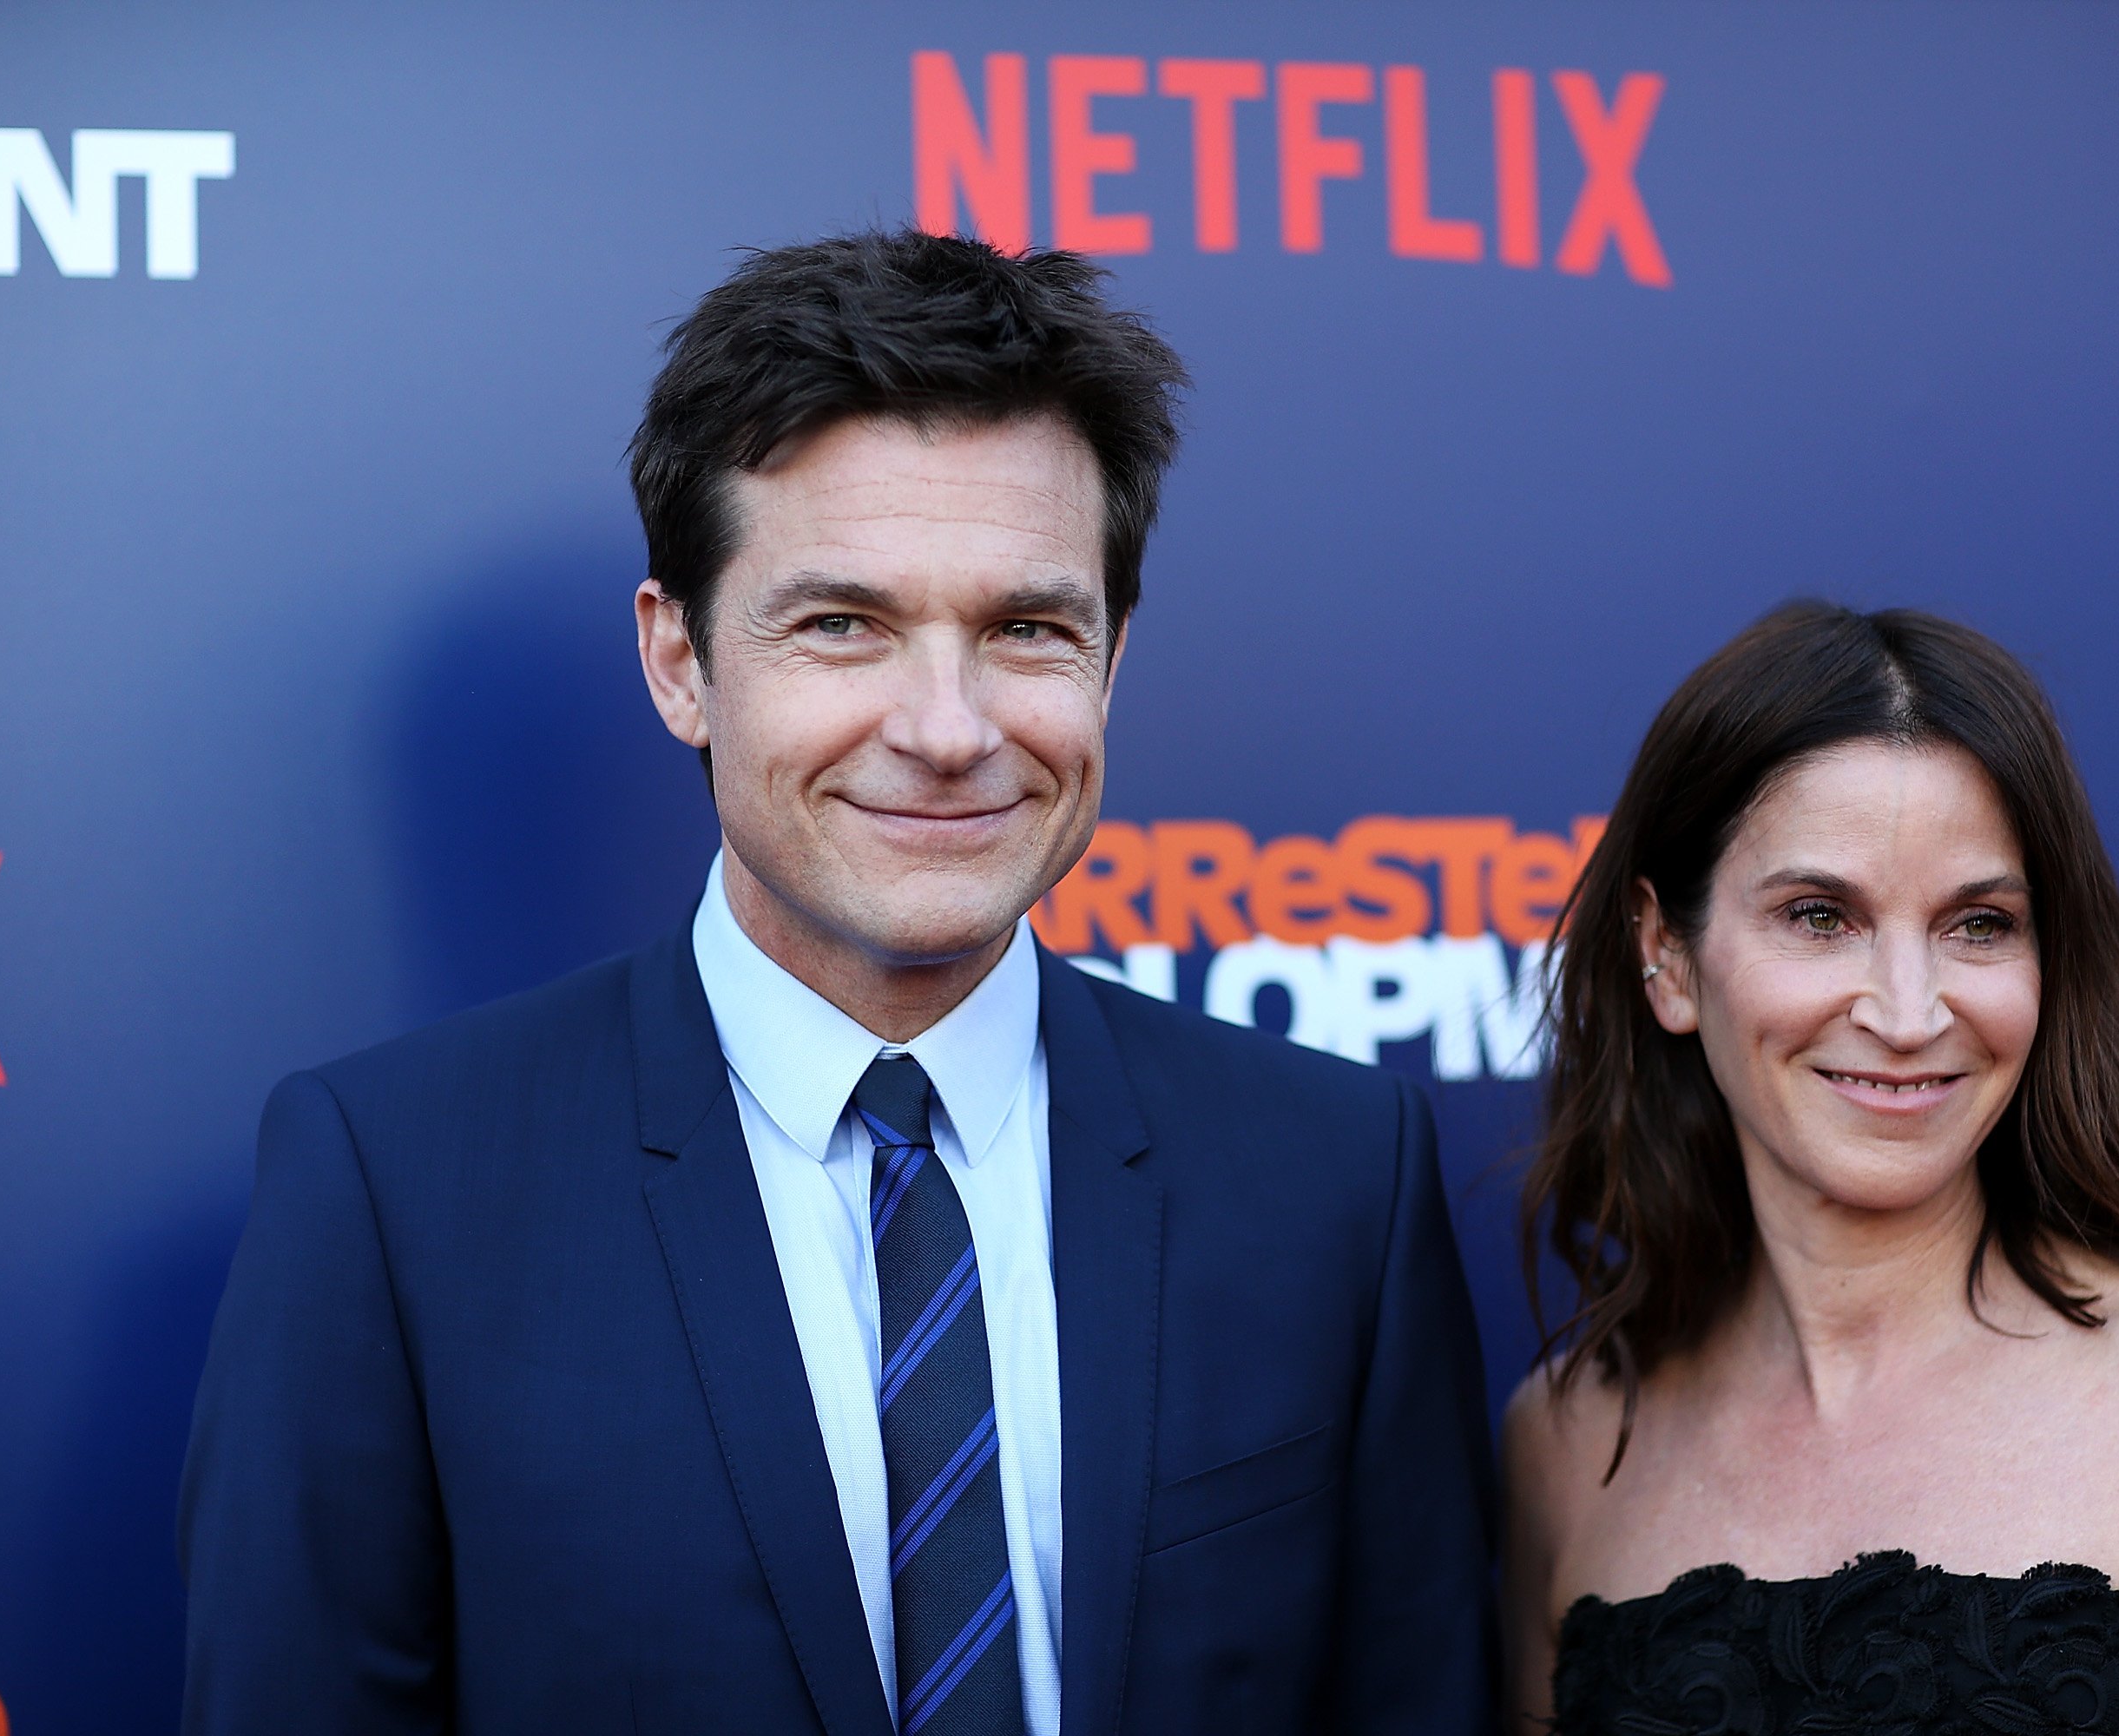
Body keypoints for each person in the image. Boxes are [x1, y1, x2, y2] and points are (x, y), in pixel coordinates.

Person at [180, 230, 1496, 1735]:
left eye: (1025, 629)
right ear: (679, 661)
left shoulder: (1332, 1174)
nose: (946, 728)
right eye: (842, 625)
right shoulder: (396, 1190)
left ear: (1113, 659)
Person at [1502, 602, 2119, 1734]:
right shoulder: (1567, 1447)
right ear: (1667, 956)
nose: (1909, 1014)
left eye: (1979, 925)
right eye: (1821, 916)